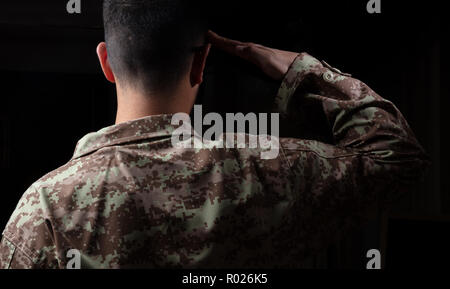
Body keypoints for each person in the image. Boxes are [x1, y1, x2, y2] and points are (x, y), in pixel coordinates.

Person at [0, 0, 429, 269]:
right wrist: (299, 67)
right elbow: (397, 154)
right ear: (202, 62)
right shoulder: (268, 171)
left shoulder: (44, 212)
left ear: (106, 63)